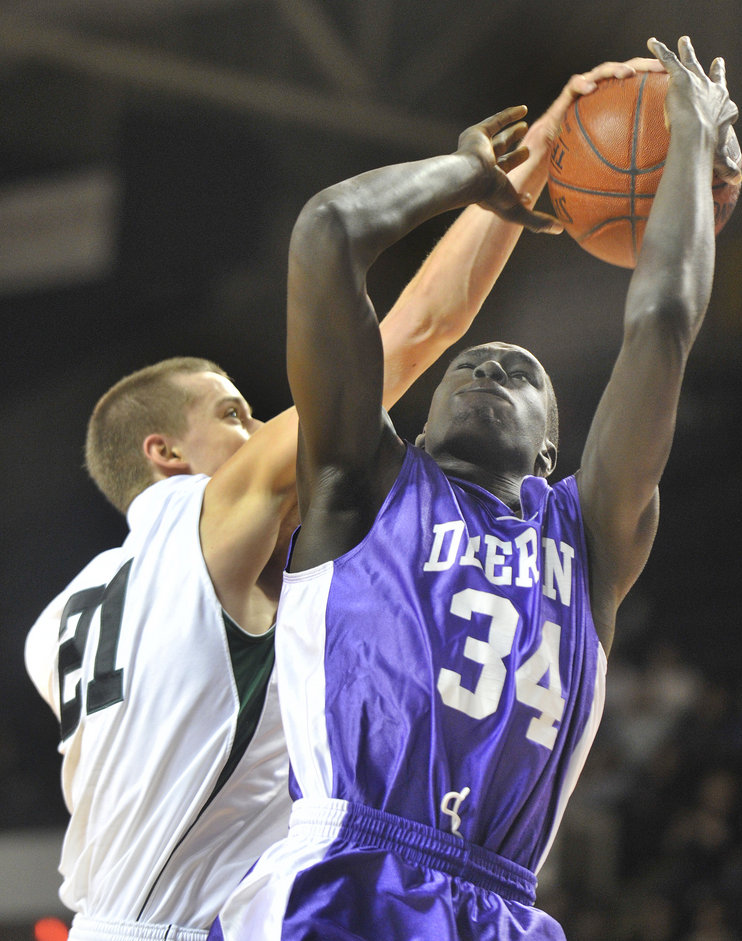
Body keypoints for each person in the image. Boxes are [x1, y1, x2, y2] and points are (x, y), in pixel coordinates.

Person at [22, 53, 657, 941]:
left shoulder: (57, 626)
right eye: (236, 414)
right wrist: (527, 161)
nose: (265, 432)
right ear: (165, 455)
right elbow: (416, 330)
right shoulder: (209, 516)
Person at [210, 35, 742, 941]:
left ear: (549, 453)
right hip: (345, 876)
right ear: (416, 426)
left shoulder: (589, 534)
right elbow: (327, 233)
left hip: (501, 906)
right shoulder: (363, 484)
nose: (493, 364)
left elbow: (662, 321)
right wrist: (457, 176)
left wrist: (687, 141)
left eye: (523, 373)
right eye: (475, 362)